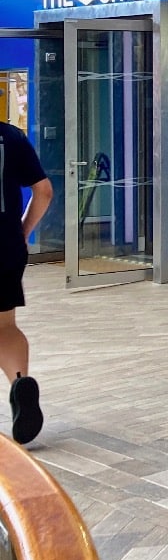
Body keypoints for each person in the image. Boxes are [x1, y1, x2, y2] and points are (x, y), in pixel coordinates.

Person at [0, 121, 52, 445]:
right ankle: (20, 384)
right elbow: (43, 191)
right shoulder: (12, 137)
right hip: (5, 247)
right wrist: (23, 229)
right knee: (4, 326)